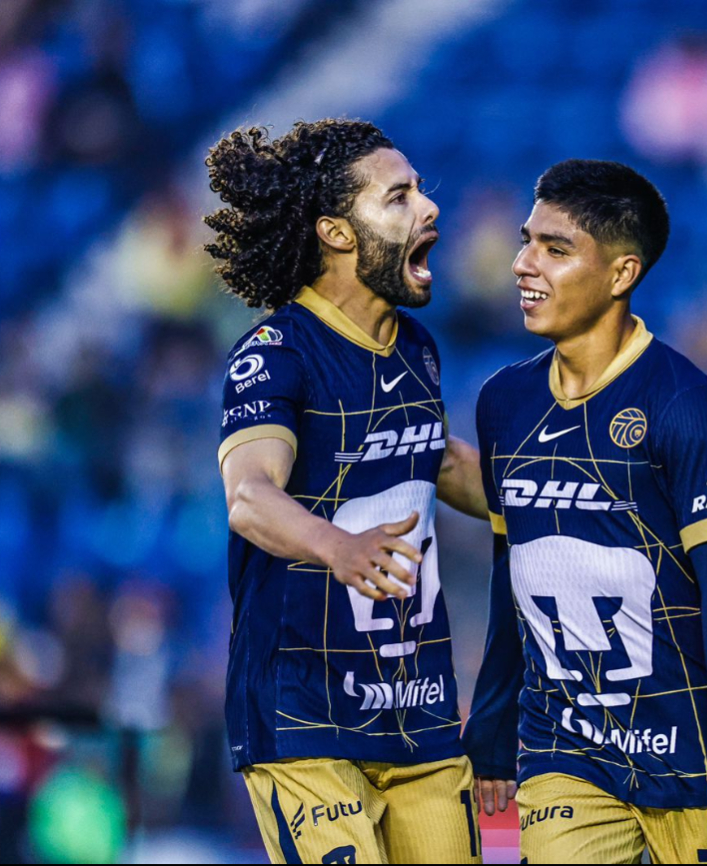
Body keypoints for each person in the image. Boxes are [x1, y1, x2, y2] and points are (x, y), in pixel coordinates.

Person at [462, 159, 707, 864]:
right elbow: (510, 570)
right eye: (526, 241)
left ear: (620, 274)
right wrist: (491, 717)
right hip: (563, 748)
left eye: (555, 248)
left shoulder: (683, 404)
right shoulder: (502, 404)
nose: (521, 265)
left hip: (689, 751)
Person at [206, 119, 488, 864]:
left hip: (419, 711)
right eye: (398, 198)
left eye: (421, 192)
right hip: (304, 718)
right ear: (335, 232)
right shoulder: (276, 354)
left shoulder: (417, 347)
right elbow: (249, 495)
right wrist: (338, 546)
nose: (428, 210)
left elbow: (439, 459)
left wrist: (567, 502)